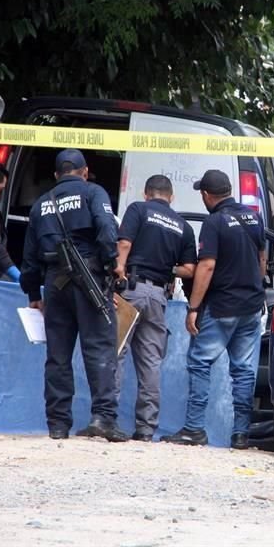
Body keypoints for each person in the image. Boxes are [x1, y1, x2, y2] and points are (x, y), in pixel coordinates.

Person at [20, 148, 128, 442]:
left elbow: (29, 257)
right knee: (100, 349)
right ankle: (103, 418)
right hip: (90, 277)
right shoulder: (93, 192)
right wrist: (112, 265)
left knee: (57, 355)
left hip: (55, 284)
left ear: (56, 175)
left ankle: (57, 424)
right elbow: (107, 229)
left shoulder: (40, 204)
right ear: (84, 171)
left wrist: (32, 291)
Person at [162, 170, 267, 450]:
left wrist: (193, 307)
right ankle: (241, 434)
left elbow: (206, 266)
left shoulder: (214, 222)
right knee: (244, 372)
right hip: (251, 307)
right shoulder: (253, 217)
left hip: (222, 306)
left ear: (207, 195)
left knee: (200, 362)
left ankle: (194, 429)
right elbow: (261, 259)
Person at [114, 175, 197, 442]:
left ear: (147, 193)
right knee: (150, 363)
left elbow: (124, 243)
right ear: (171, 197)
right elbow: (189, 269)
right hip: (159, 296)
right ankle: (146, 429)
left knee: (116, 353)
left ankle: (106, 419)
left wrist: (119, 269)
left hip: (132, 289)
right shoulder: (183, 226)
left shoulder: (138, 209)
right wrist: (166, 267)